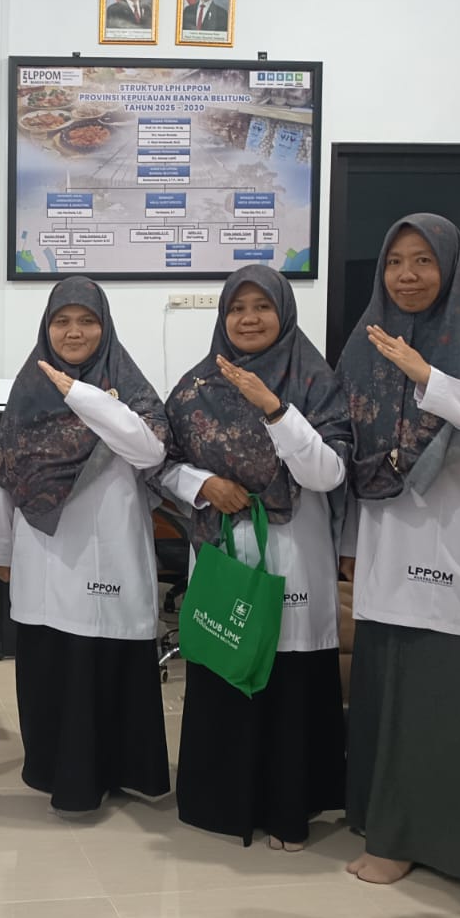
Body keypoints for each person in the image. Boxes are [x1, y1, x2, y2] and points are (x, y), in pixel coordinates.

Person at [337, 214, 460, 884]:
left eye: (423, 260)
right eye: (396, 261)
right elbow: (347, 451)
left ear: (450, 268)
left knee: (436, 700)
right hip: (383, 545)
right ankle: (382, 822)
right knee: (386, 694)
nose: (408, 275)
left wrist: (430, 378)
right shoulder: (364, 348)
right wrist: (347, 542)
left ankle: (421, 840)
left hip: (449, 545)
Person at [162, 265, 351, 850]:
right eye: (236, 308)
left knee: (288, 674)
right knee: (227, 661)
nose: (248, 319)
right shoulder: (195, 387)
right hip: (223, 550)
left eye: (261, 307)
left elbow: (328, 472)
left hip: (295, 551)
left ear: (284, 313)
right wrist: (203, 483)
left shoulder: (315, 381)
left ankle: (290, 808)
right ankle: (223, 805)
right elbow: (161, 464)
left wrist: (274, 409)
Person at [0, 277, 171, 815]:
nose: (74, 331)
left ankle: (119, 771)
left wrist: (82, 396)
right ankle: (53, 770)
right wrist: (1, 550)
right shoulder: (29, 389)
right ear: (46, 328)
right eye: (61, 321)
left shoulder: (128, 387)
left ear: (104, 327)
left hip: (109, 548)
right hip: (43, 552)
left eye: (87, 321)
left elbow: (150, 450)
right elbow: (6, 476)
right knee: (55, 662)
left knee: (104, 658)